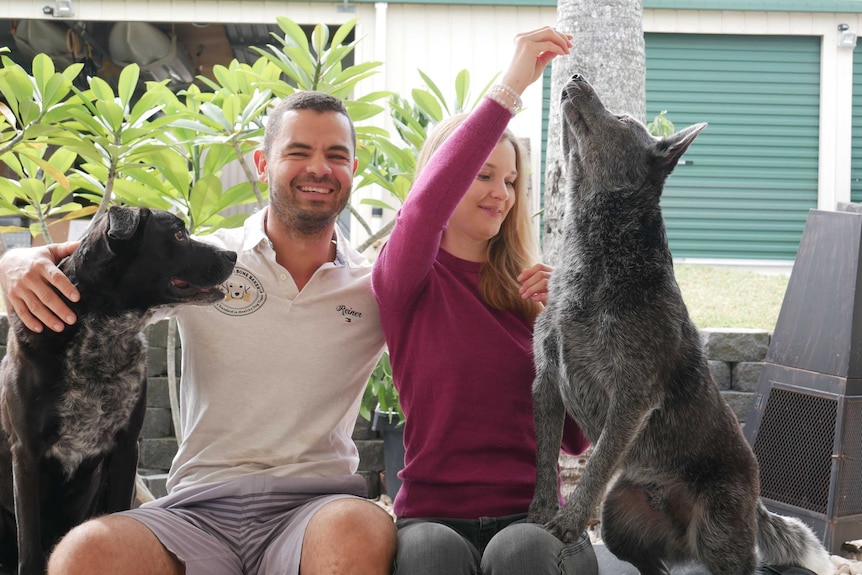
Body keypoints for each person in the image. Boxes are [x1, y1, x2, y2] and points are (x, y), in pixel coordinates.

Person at [0, 91, 396, 574]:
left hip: (316, 509)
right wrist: (16, 259)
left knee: (361, 529)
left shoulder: (374, 285)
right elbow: (91, 264)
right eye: (298, 152)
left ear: (352, 168)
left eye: (336, 156)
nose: (319, 168)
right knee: (85, 553)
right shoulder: (204, 262)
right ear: (262, 164)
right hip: (197, 510)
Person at [371, 27, 598, 574]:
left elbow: (577, 437)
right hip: (431, 516)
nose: (502, 192)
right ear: (445, 180)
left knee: (518, 551)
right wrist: (513, 85)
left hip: (535, 520)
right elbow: (422, 212)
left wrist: (566, 332)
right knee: (431, 554)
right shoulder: (408, 283)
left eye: (512, 180)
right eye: (483, 174)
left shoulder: (531, 294)